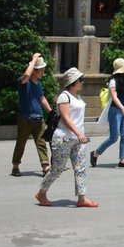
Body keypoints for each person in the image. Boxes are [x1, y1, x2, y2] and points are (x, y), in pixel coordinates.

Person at [35, 67, 98, 208]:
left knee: (80, 168)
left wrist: (80, 135)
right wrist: (79, 134)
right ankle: (41, 193)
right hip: (64, 138)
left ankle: (82, 198)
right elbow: (66, 118)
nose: (82, 82)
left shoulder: (78, 96)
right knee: (57, 169)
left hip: (78, 138)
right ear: (73, 82)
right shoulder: (64, 96)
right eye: (80, 80)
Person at [90, 58, 124, 169]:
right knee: (114, 137)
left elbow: (123, 97)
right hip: (115, 111)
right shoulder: (113, 81)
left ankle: (122, 160)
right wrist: (123, 109)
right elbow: (114, 98)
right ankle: (95, 153)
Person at [12, 52, 51, 177]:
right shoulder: (23, 82)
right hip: (25, 118)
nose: (43, 73)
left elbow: (42, 98)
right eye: (41, 70)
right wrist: (34, 60)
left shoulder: (38, 84)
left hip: (38, 118)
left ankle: (45, 166)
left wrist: (51, 112)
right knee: (21, 143)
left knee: (41, 142)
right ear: (34, 71)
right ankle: (16, 165)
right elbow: (26, 75)